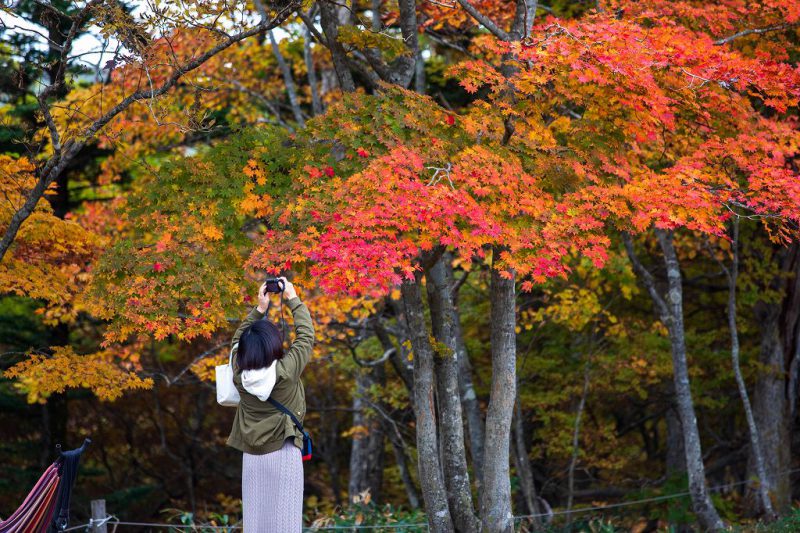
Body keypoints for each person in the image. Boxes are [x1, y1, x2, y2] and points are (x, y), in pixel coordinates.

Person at [226, 277, 315, 532]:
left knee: (256, 525)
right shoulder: (286, 372)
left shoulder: (238, 375)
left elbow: (236, 341)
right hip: (284, 453)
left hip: (252, 458)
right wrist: (293, 298)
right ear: (274, 346)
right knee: (285, 524)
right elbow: (306, 336)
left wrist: (259, 309)